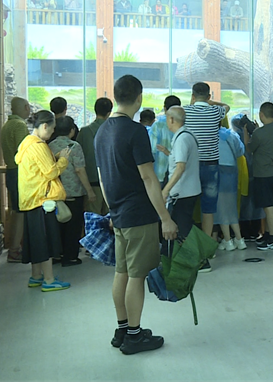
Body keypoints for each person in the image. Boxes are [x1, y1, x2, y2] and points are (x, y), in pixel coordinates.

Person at [95, 75, 178, 355]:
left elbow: (103, 179)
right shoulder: (135, 131)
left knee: (122, 272)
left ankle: (122, 329)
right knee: (137, 275)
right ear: (139, 98)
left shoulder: (101, 132)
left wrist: (112, 210)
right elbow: (148, 178)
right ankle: (134, 336)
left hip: (118, 214)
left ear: (115, 96)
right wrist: (165, 218)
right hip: (139, 215)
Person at [15, 110, 72, 292]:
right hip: (42, 200)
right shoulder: (38, 145)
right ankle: (49, 279)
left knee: (36, 241)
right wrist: (63, 160)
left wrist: (55, 158)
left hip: (30, 199)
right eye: (52, 129)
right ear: (45, 126)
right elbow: (51, 172)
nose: (53, 132)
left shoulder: (27, 143)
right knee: (46, 241)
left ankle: (36, 276)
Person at [182, 82, 230, 247]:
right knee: (208, 208)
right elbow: (227, 106)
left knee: (187, 205)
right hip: (211, 166)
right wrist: (211, 102)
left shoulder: (186, 111)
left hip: (190, 166)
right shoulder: (215, 111)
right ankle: (205, 245)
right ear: (209, 96)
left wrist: (193, 102)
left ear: (193, 96)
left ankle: (187, 245)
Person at [48, 116, 96, 266]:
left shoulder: (49, 146)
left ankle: (57, 255)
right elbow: (79, 170)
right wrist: (90, 191)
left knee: (57, 224)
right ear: (72, 130)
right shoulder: (74, 146)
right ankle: (70, 256)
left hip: (55, 193)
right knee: (73, 225)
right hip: (73, 192)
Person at [156, 106, 201, 257]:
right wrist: (167, 152)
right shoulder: (187, 135)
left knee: (181, 228)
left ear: (171, 119)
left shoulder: (182, 138)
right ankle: (170, 256)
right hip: (189, 189)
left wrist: (166, 190)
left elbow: (180, 167)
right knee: (182, 227)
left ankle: (199, 260)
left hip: (182, 192)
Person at [244, 102, 273, 250]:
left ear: (261, 115)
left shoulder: (258, 133)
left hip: (262, 174)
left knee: (268, 207)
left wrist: (246, 133)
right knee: (271, 205)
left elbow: (250, 148)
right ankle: (267, 234)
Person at [1, 97, 31, 262]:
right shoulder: (19, 125)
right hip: (20, 173)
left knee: (16, 212)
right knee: (20, 213)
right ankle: (14, 250)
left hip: (11, 172)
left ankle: (14, 248)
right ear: (26, 107)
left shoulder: (7, 125)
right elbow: (23, 153)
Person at [214, 118, 247, 252]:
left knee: (221, 209)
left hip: (217, 172)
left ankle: (228, 240)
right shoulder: (231, 134)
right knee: (231, 207)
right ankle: (239, 239)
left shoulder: (209, 136)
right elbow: (240, 151)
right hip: (232, 173)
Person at [77, 97, 112, 215]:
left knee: (93, 218)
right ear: (109, 113)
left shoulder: (84, 132)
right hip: (110, 183)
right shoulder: (114, 131)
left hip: (91, 183)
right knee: (110, 219)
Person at [149, 96, 181, 185]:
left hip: (160, 171)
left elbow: (152, 149)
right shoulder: (183, 125)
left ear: (165, 108)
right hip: (178, 172)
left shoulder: (157, 125)